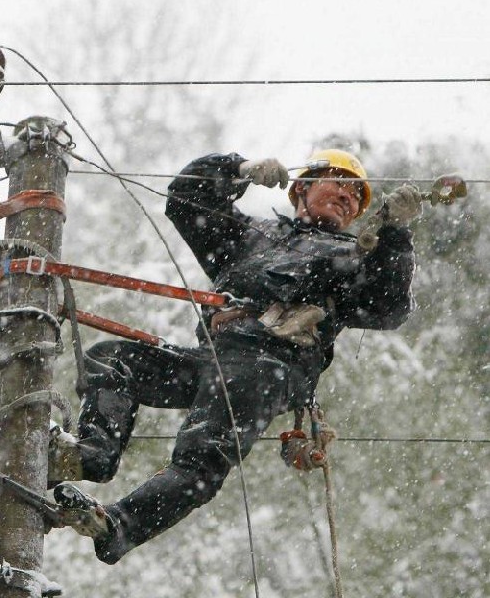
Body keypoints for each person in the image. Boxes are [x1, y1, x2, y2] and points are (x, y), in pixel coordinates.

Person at [49, 149, 421, 563]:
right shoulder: (250, 236)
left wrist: (395, 238)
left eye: (356, 195)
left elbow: (389, 307)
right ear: (302, 188)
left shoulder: (355, 259)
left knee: (202, 456)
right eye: (338, 183)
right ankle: (92, 453)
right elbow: (185, 200)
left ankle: (120, 524)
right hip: (214, 356)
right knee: (115, 359)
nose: (348, 196)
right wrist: (237, 170)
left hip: (270, 364)